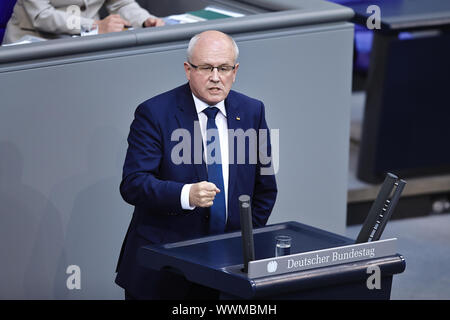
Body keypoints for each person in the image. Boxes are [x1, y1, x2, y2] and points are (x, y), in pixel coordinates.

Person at [115, 30, 277, 300]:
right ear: (188, 69)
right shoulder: (155, 113)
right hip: (165, 269)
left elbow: (265, 188)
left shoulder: (252, 111)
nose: (216, 77)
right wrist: (185, 195)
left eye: (224, 68)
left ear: (235, 71)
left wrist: (241, 244)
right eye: (206, 68)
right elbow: (134, 184)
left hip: (228, 271)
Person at [2, 0, 164, 44]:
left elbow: (121, 4)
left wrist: (144, 20)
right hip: (36, 43)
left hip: (86, 42)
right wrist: (94, 25)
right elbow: (41, 16)